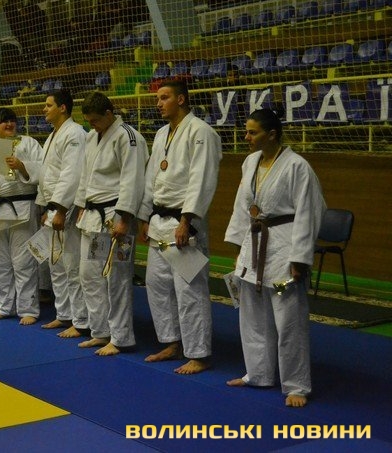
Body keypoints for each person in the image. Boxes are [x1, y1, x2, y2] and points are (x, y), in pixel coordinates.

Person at [224, 109, 325, 408]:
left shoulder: (297, 166)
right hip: (254, 244)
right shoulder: (250, 162)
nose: (246, 137)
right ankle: (258, 373)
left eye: (252, 132)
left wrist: (300, 257)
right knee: (252, 316)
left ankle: (296, 385)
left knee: (289, 320)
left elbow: (310, 212)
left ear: (272, 134)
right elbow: (242, 206)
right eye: (246, 131)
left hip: (284, 247)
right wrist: (239, 245)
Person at [137, 79, 222, 374]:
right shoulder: (162, 133)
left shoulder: (201, 132)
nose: (158, 103)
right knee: (157, 285)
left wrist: (188, 220)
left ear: (181, 99)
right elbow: (152, 178)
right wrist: (144, 216)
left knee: (190, 290)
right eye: (157, 99)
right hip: (159, 222)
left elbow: (202, 179)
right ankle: (171, 342)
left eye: (164, 98)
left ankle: (198, 353)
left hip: (184, 225)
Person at [75, 92, 148, 355]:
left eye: (95, 120)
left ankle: (121, 338)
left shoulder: (128, 137)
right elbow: (85, 176)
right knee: (90, 275)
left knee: (117, 279)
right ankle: (101, 331)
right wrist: (81, 205)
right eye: (88, 121)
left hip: (115, 218)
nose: (91, 125)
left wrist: (124, 218)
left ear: (109, 114)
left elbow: (133, 179)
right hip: (93, 218)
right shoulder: (92, 137)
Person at [22, 89, 88, 338]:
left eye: (48, 105)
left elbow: (72, 175)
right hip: (52, 208)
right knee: (56, 265)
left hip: (66, 209)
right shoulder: (53, 136)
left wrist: (60, 209)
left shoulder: (75, 134)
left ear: (63, 108)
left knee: (72, 266)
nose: (44, 109)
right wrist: (45, 207)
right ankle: (64, 314)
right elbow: (46, 175)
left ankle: (80, 320)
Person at [0, 107, 42, 324]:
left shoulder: (28, 143)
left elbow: (43, 170)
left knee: (24, 262)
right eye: (5, 121)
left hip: (21, 209)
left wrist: (22, 166)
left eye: (12, 120)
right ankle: (3, 307)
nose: (10, 124)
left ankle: (28, 309)